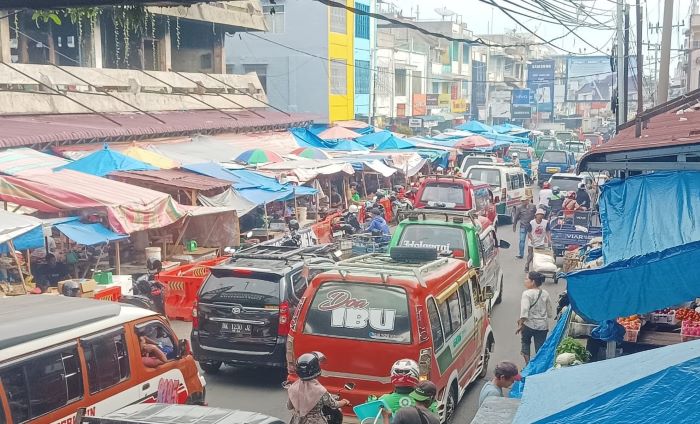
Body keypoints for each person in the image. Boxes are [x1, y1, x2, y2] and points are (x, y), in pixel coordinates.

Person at [287, 352, 349, 424]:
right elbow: (333, 405)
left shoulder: (293, 388)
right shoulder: (320, 391)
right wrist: (344, 402)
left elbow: (289, 406)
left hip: (297, 421)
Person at [517, 271, 553, 364]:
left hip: (529, 325)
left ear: (532, 282)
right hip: (542, 326)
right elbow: (550, 312)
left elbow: (524, 312)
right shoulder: (545, 293)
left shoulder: (527, 294)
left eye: (526, 279)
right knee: (540, 348)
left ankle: (528, 365)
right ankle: (538, 367)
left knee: (525, 343)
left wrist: (520, 324)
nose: (525, 281)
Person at [512, 194, 537, 259]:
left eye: (524, 201)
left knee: (533, 240)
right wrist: (514, 226)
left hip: (531, 227)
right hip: (523, 226)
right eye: (522, 201)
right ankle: (521, 254)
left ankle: (532, 254)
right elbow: (516, 217)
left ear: (527, 200)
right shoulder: (519, 208)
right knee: (522, 240)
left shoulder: (533, 206)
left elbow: (536, 215)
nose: (523, 202)